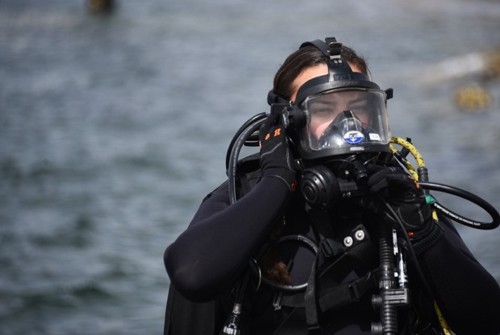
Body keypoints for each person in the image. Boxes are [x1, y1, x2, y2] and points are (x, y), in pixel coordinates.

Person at [163, 37, 500, 334]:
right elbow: (191, 276)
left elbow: (489, 321)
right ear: (286, 122)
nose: (348, 123)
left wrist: (423, 234)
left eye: (358, 107)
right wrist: (277, 181)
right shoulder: (247, 195)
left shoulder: (400, 195)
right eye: (325, 108)